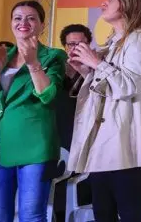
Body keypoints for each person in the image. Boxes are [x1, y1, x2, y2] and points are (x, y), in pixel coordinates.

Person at [67, 0, 141, 222]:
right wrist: (86, 71)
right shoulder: (113, 43)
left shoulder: (139, 39)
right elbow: (111, 85)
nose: (104, 2)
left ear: (128, 4)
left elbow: (130, 85)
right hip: (106, 137)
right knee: (103, 209)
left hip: (127, 137)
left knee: (128, 207)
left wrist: (96, 63)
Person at [0, 0, 67, 221]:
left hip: (35, 143)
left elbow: (48, 95)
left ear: (42, 25)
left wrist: (33, 62)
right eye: (17, 18)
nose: (23, 23)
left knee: (31, 215)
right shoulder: (0, 54)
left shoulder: (53, 56)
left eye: (31, 18)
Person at [54, 23, 94, 222]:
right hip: (58, 139)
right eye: (70, 44)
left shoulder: (96, 71)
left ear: (88, 45)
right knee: (58, 196)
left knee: (83, 197)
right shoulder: (54, 71)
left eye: (80, 43)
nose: (74, 48)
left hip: (86, 140)